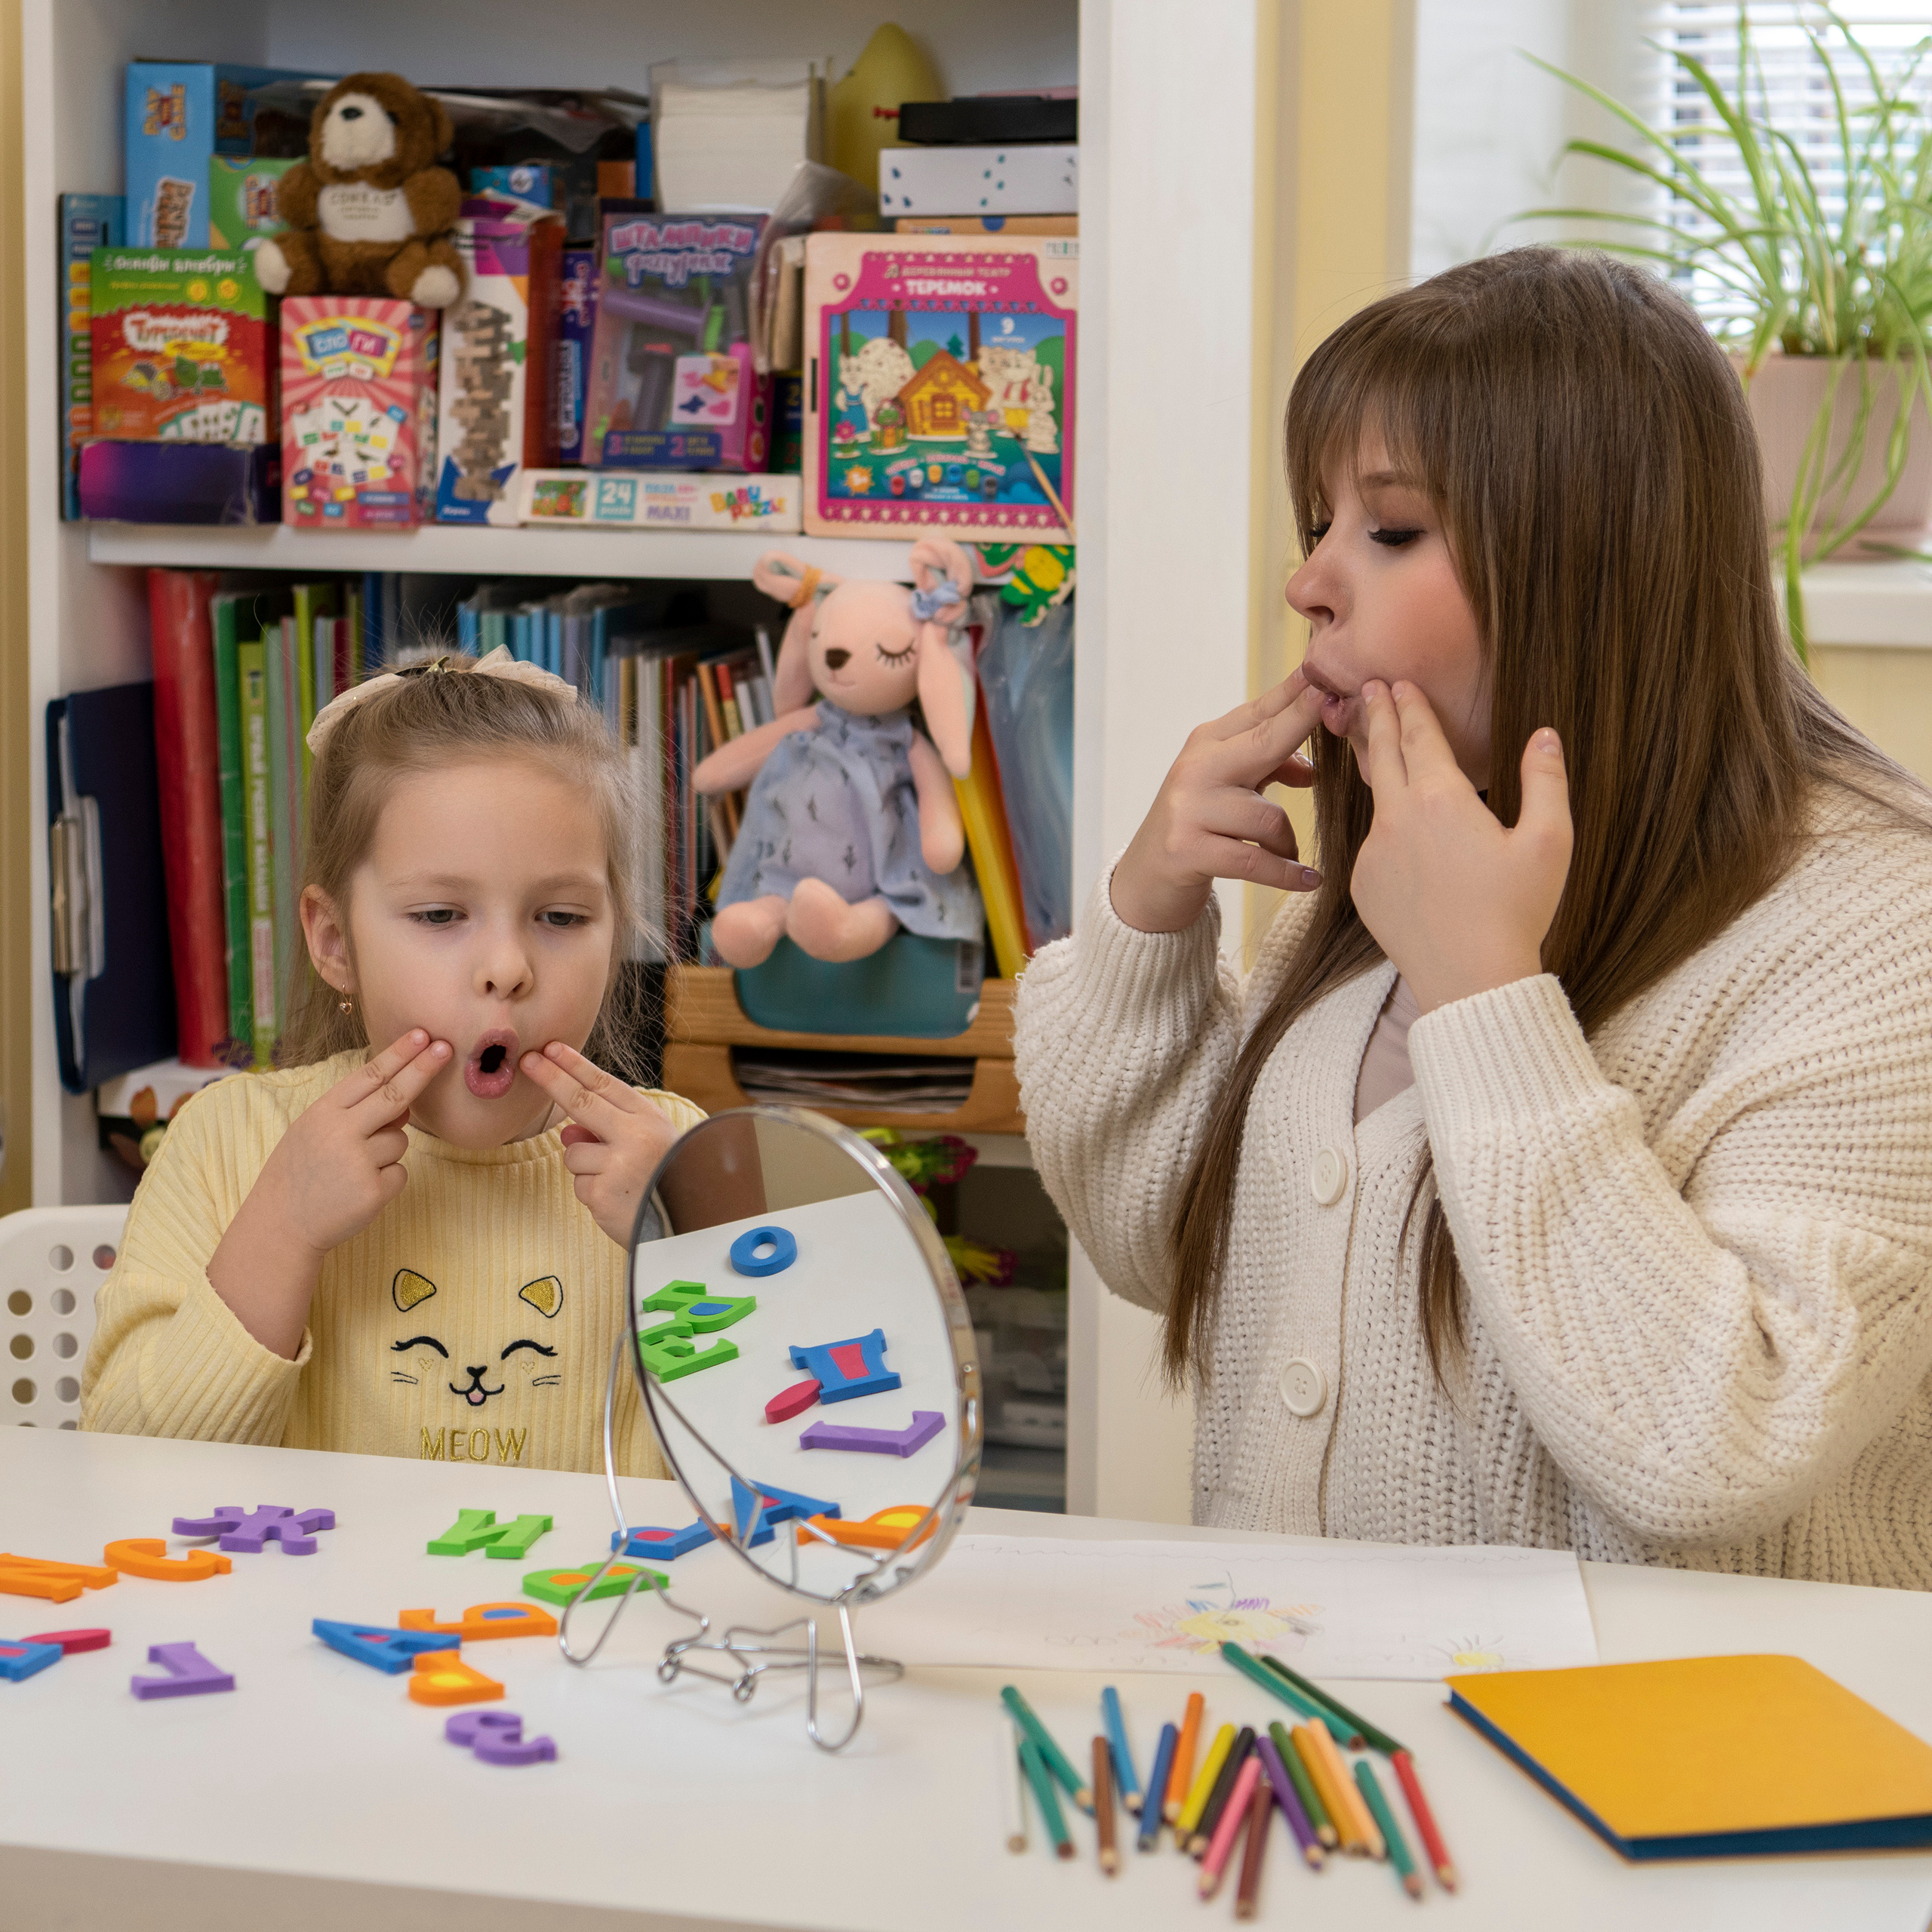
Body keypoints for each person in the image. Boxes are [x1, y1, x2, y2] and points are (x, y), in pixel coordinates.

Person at [1015, 248, 1932, 1588]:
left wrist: (1486, 997)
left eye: (1388, 531)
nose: (1312, 582)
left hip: (1675, 1773)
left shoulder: (1881, 931)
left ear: (1593, 561)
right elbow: (1168, 1251)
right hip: (1328, 1745)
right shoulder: (1403, 846)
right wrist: (1149, 928)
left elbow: (1717, 1449)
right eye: (1314, 523)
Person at [84, 649, 703, 1476]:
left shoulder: (679, 1156)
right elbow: (118, 1473)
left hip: (591, 1609)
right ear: (335, 942)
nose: (507, 966)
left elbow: (780, 1476)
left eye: (560, 916)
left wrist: (687, 1255)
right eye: (441, 913)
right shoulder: (226, 1143)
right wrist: (283, 1227)